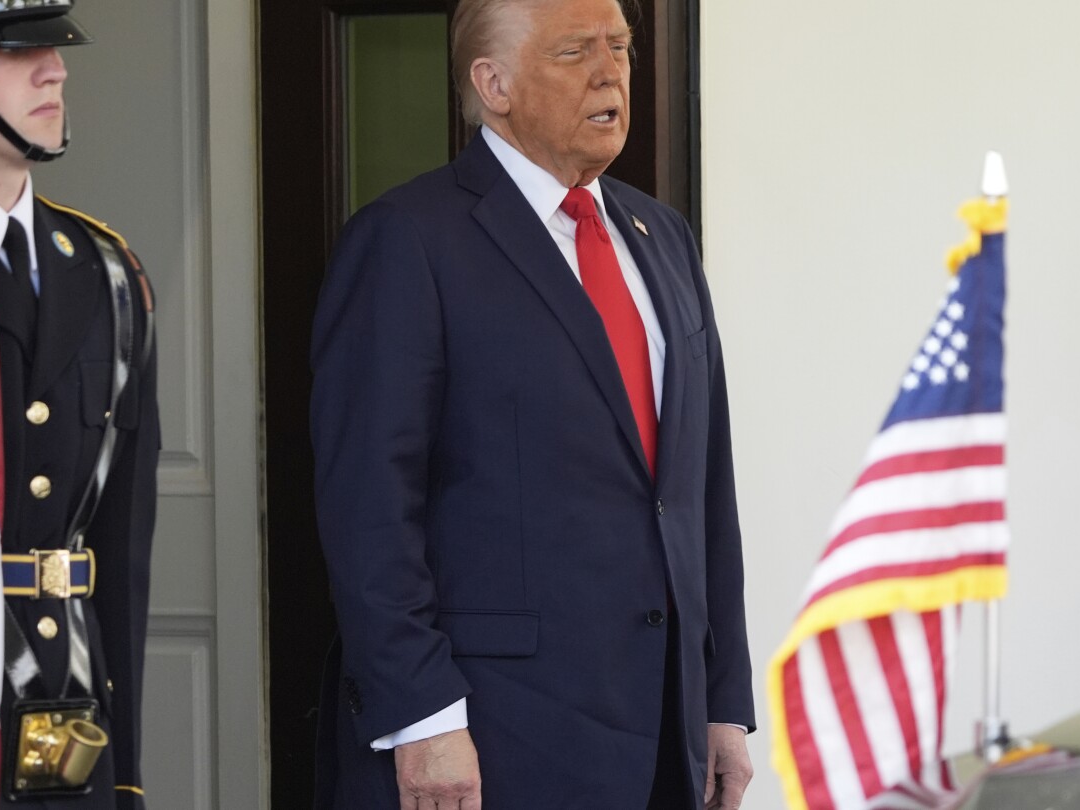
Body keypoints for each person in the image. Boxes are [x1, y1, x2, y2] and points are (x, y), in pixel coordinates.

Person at [310, 0, 753, 807]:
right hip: (492, 737)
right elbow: (368, 506)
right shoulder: (407, 239)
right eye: (574, 51)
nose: (610, 72)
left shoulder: (663, 236)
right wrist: (421, 716)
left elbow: (702, 490)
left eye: (619, 46)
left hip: (665, 734)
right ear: (494, 84)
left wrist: (722, 698)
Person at [0, 1, 159, 806]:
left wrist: (126, 775)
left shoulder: (110, 273)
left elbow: (121, 545)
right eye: (18, 52)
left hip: (67, 708)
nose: (56, 70)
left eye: (54, 48)